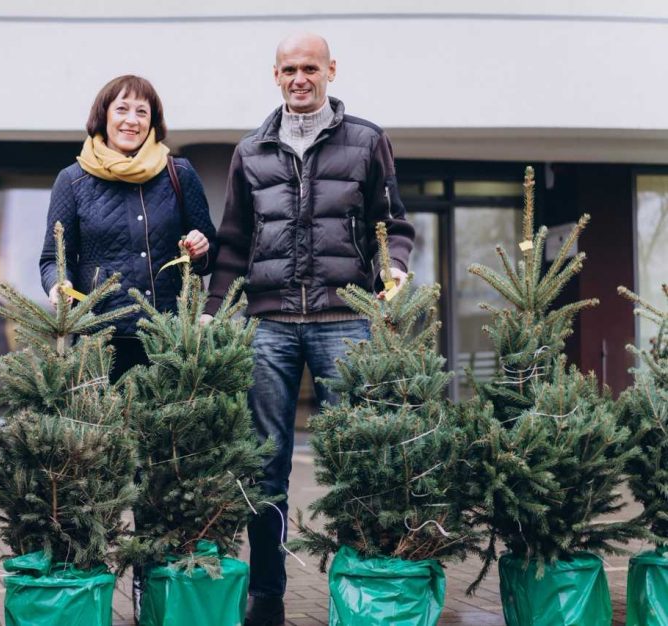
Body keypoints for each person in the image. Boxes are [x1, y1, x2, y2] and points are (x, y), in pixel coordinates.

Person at [203, 34, 415, 626]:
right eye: (290, 69)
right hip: (268, 324)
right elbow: (234, 244)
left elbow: (391, 221)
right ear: (275, 75)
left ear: (331, 71)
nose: (301, 77)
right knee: (265, 461)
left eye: (311, 68)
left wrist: (393, 267)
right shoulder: (252, 151)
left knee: (351, 456)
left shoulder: (367, 141)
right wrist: (213, 307)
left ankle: (356, 586)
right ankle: (266, 593)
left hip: (343, 319)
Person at [39, 75, 217, 382]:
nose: (131, 121)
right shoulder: (72, 180)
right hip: (100, 340)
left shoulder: (180, 172)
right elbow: (53, 259)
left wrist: (201, 249)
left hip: (171, 337)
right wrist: (58, 285)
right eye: (122, 109)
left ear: (153, 122)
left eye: (142, 112)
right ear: (104, 115)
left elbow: (209, 253)